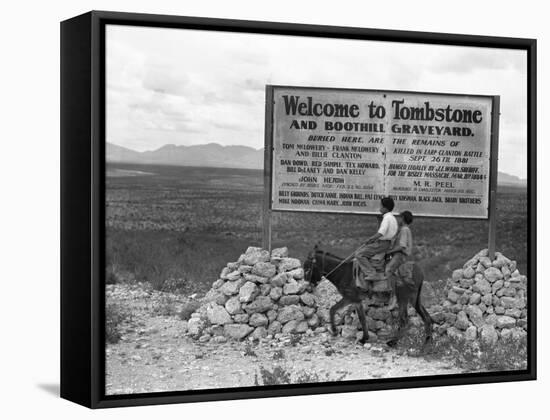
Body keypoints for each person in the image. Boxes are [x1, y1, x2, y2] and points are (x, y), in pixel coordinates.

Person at [355, 197, 398, 287]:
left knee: (359, 254)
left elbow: (381, 233)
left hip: (382, 243)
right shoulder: (393, 218)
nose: (380, 208)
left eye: (381, 206)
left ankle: (372, 273)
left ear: (385, 208)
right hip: (387, 243)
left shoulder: (386, 218)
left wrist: (370, 239)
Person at [385, 210, 414, 309]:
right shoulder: (404, 229)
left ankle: (393, 296)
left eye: (400, 217)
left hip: (400, 255)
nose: (398, 220)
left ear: (403, 219)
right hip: (398, 254)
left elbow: (402, 246)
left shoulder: (404, 229)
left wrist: (389, 252)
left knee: (388, 270)